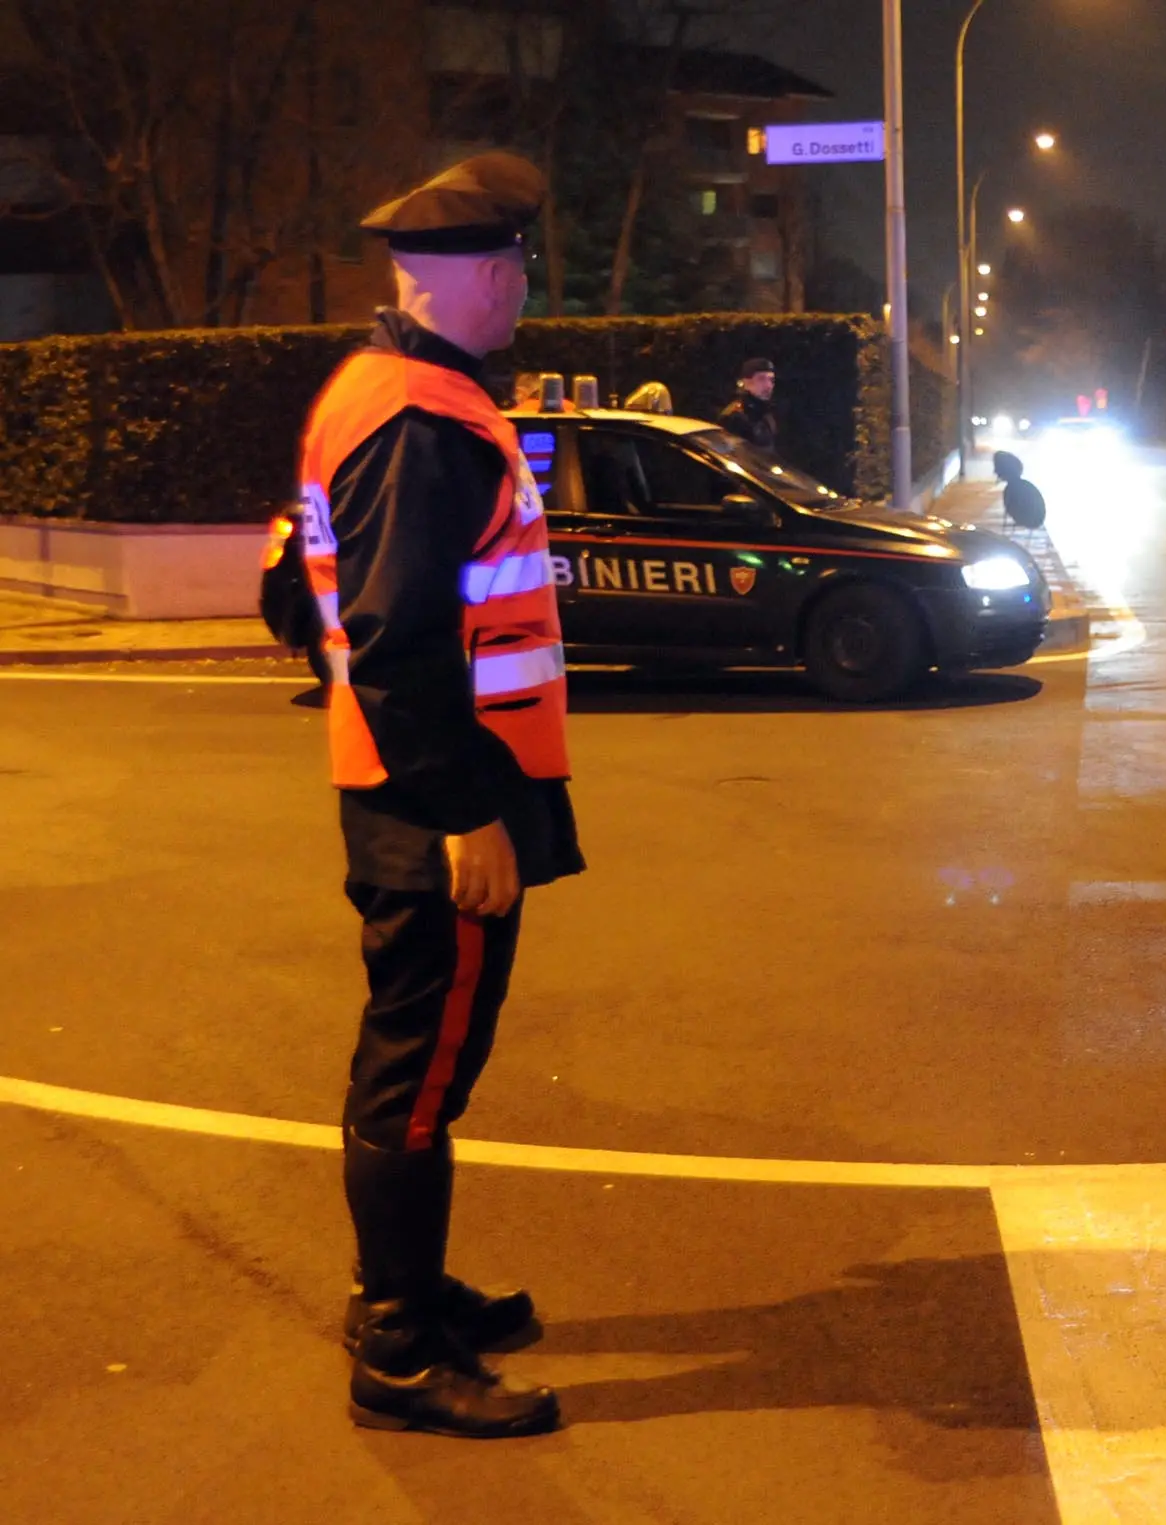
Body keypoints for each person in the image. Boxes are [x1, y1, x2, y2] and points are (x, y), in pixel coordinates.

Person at [300, 151, 583, 1437]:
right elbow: (401, 637)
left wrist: (372, 714)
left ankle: (412, 1287)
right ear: (467, 273)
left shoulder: (365, 394)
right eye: (516, 261)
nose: (527, 282)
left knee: (423, 1061)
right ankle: (401, 1345)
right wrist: (466, 808)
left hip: (403, 785)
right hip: (440, 808)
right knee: (418, 1072)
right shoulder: (426, 421)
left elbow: (289, 600)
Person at [718, 356, 778, 450]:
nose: (768, 385)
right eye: (761, 379)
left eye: (771, 380)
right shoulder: (734, 416)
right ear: (746, 383)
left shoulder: (765, 411)